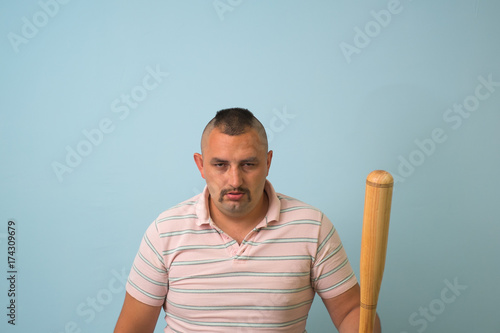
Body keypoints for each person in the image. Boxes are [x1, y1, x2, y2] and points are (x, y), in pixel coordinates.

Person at [114, 108, 381, 333]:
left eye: (248, 164)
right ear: (201, 164)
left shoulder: (313, 227)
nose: (235, 180)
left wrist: (361, 323)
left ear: (267, 162)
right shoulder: (165, 232)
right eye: (220, 165)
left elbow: (350, 310)